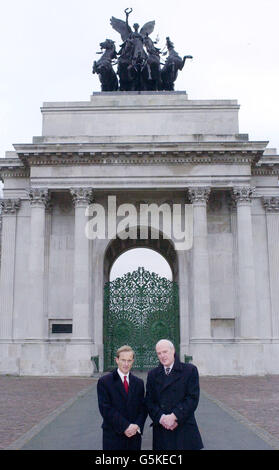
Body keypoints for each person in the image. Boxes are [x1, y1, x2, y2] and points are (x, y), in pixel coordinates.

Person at [145, 339, 204, 450]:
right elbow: (149, 401)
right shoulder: (152, 374)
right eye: (159, 353)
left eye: (165, 352)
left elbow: (192, 398)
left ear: (173, 351)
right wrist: (162, 418)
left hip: (184, 428)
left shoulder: (189, 370)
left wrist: (174, 416)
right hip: (162, 429)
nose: (162, 356)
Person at [97, 345, 147, 450]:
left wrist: (137, 426)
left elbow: (143, 408)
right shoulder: (105, 382)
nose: (126, 364)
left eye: (129, 360)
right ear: (117, 360)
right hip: (114, 435)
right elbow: (106, 409)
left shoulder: (139, 383)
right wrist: (125, 426)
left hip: (134, 436)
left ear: (133, 361)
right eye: (123, 360)